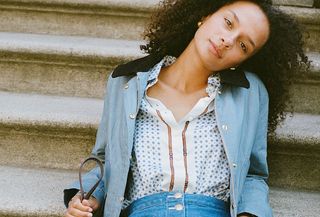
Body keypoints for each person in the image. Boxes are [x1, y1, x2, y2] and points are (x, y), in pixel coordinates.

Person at [63, 0, 309, 217]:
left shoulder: (251, 93)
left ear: (244, 60)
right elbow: (105, 159)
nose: (228, 41)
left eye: (243, 46)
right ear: (206, 14)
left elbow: (254, 174)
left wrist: (250, 214)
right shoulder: (125, 82)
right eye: (228, 23)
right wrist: (86, 200)